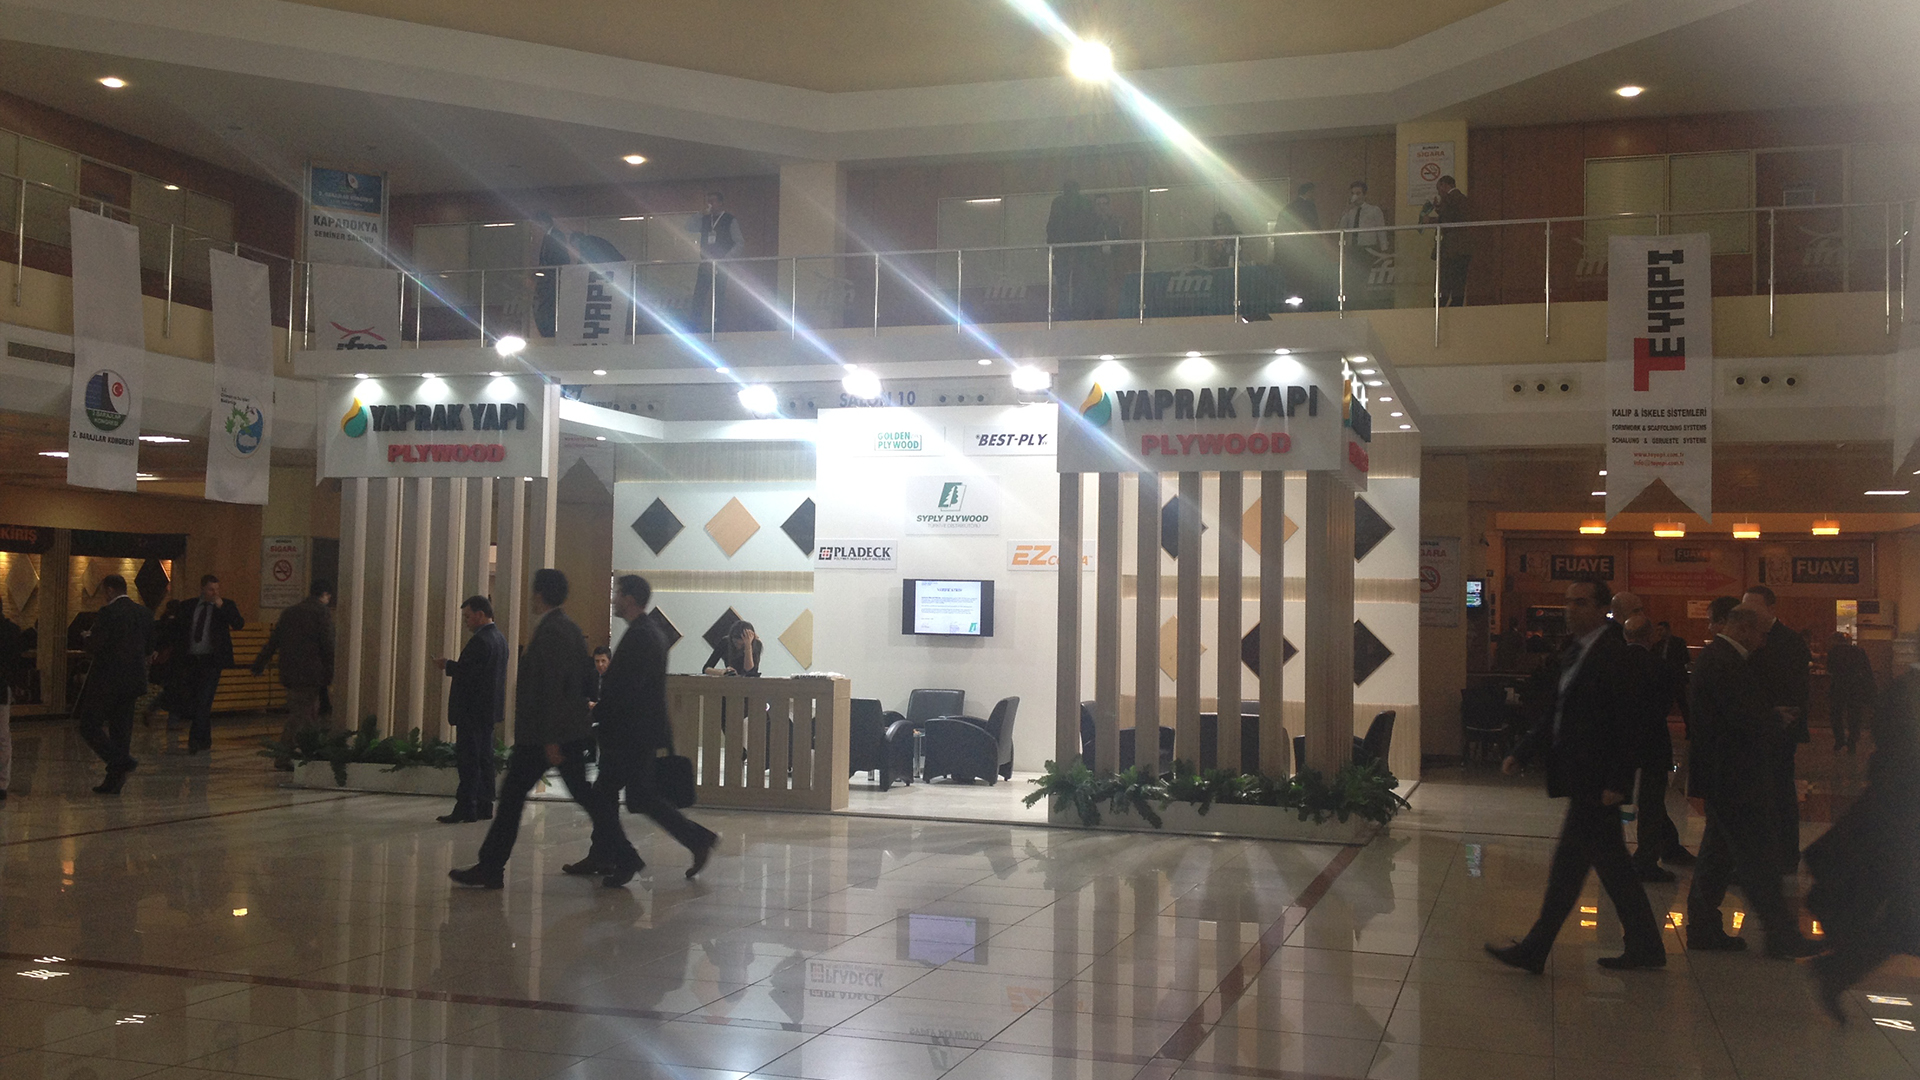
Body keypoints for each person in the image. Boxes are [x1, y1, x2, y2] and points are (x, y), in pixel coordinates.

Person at [1486, 579, 1666, 972]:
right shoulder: (1576, 650)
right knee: (1606, 867)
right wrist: (1523, 751)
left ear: (1602, 609)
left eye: (1581, 603)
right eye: (1568, 602)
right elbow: (1559, 711)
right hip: (1582, 776)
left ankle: (1536, 949)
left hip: (1596, 780)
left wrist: (1618, 782)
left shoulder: (1614, 654)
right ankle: (1645, 944)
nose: (1571, 609)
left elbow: (1628, 723)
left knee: (1572, 869)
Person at [451, 569, 639, 889]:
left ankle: (491, 866)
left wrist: (552, 739)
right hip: (558, 733)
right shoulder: (568, 628)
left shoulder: (553, 631)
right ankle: (625, 855)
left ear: (539, 594)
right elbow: (580, 682)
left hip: (547, 736)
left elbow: (553, 687)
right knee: (575, 796)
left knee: (516, 796)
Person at [1686, 606, 1821, 959]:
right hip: (1734, 775)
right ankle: (1780, 934)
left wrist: (1768, 716)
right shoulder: (1724, 662)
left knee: (1718, 853)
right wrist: (1773, 721)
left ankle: (1702, 926)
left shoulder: (1719, 658)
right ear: (1744, 629)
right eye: (1761, 634)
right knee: (1758, 858)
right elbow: (1740, 718)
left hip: (1724, 774)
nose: (1763, 642)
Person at [564, 575, 717, 881]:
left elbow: (627, 689)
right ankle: (608, 854)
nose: (613, 599)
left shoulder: (641, 636)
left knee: (611, 796)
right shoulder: (649, 632)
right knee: (631, 796)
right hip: (636, 732)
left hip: (629, 734)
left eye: (617, 594)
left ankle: (625, 857)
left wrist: (598, 712)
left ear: (630, 598)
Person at [1807, 659, 1920, 1023]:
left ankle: (1837, 968)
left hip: (1897, 820)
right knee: (1903, 916)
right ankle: (1836, 968)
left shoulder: (1904, 691)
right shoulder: (1907, 696)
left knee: (1901, 916)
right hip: (1901, 821)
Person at [1742, 584, 1810, 872]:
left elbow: (1795, 689)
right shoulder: (1749, 636)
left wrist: (1782, 719)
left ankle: (1786, 854)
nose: (1748, 610)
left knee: (1781, 791)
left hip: (1780, 729)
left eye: (1754, 605)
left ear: (1770, 608)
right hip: (1759, 726)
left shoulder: (1789, 641)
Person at [1621, 615, 1689, 878]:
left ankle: (1663, 846)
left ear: (1626, 635)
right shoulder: (1660, 666)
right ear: (1650, 637)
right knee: (1651, 801)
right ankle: (1647, 859)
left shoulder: (1611, 664)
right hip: (1652, 742)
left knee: (1622, 799)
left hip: (1620, 743)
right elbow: (1667, 703)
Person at [76, 575, 153, 795]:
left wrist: (86, 638)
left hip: (108, 680)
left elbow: (96, 645)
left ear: (109, 590)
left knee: (89, 724)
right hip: (133, 680)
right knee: (122, 731)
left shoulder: (108, 613)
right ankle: (114, 781)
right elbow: (149, 648)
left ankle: (121, 761)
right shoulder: (144, 613)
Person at [436, 595, 507, 824]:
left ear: (480, 614)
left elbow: (469, 674)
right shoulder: (500, 639)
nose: (466, 621)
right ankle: (485, 805)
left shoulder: (481, 641)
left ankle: (466, 807)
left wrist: (447, 665)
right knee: (485, 759)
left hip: (472, 711)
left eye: (468, 616)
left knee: (469, 761)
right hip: (487, 711)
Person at [253, 580, 336, 769]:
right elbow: (328, 644)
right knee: (302, 714)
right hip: (312, 672)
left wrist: (260, 662)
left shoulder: (290, 612)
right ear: (326, 595)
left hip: (290, 671)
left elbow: (274, 640)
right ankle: (286, 755)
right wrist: (331, 671)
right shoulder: (321, 612)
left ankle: (309, 753)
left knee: (306, 713)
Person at [172, 574, 244, 754]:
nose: (215, 593)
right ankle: (205, 739)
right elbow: (178, 631)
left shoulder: (225, 605)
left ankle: (194, 740)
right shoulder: (188, 606)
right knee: (197, 701)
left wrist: (222, 607)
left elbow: (238, 623)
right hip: (191, 660)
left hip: (212, 661)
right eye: (211, 589)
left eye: (217, 589)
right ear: (203, 588)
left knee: (204, 699)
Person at [693, 190, 744, 332]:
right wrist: (699, 214)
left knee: (719, 297)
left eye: (713, 201)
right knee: (699, 296)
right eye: (708, 201)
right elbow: (688, 227)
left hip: (721, 265)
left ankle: (717, 328)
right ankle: (694, 327)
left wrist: (726, 259)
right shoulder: (704, 219)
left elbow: (740, 242)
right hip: (705, 264)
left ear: (721, 203)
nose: (710, 204)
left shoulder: (729, 220)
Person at [1045, 181, 1097, 318]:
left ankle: (1068, 312)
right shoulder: (1082, 202)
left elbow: (1051, 227)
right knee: (1074, 283)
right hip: (1071, 250)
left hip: (1072, 250)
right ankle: (1075, 312)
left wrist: (1053, 248)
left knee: (1071, 283)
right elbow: (1052, 227)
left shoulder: (1062, 202)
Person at [1338, 180, 1390, 308]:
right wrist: (1346, 211)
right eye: (1353, 193)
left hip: (1367, 248)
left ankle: (1364, 303)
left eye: (1358, 193)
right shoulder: (1350, 212)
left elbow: (1381, 229)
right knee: (1352, 277)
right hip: (1352, 248)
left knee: (1364, 277)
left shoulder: (1374, 210)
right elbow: (1341, 228)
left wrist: (1384, 248)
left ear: (1364, 194)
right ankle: (1352, 303)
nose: (1355, 196)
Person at [1423, 175, 1473, 306]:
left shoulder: (1449, 199)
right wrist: (1440, 210)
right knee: (1459, 284)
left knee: (1443, 282)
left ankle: (1440, 309)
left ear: (1444, 185)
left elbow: (1446, 222)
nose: (1439, 193)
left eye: (1439, 189)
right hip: (1464, 249)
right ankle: (1456, 308)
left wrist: (1430, 220)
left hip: (1450, 250)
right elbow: (1456, 217)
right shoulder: (1463, 199)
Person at [1826, 631, 1876, 753]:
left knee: (1836, 714)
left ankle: (1839, 739)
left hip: (1839, 686)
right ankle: (1852, 741)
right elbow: (1867, 669)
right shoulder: (1858, 651)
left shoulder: (1833, 652)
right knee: (1854, 715)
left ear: (1835, 641)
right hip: (1855, 687)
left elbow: (1830, 669)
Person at [0, 610, 18, 802]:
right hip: (2, 687)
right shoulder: (11, 630)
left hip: (1, 687)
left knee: (2, 736)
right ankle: (2, 783)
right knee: (3, 737)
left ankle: (2, 782)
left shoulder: (9, 631)